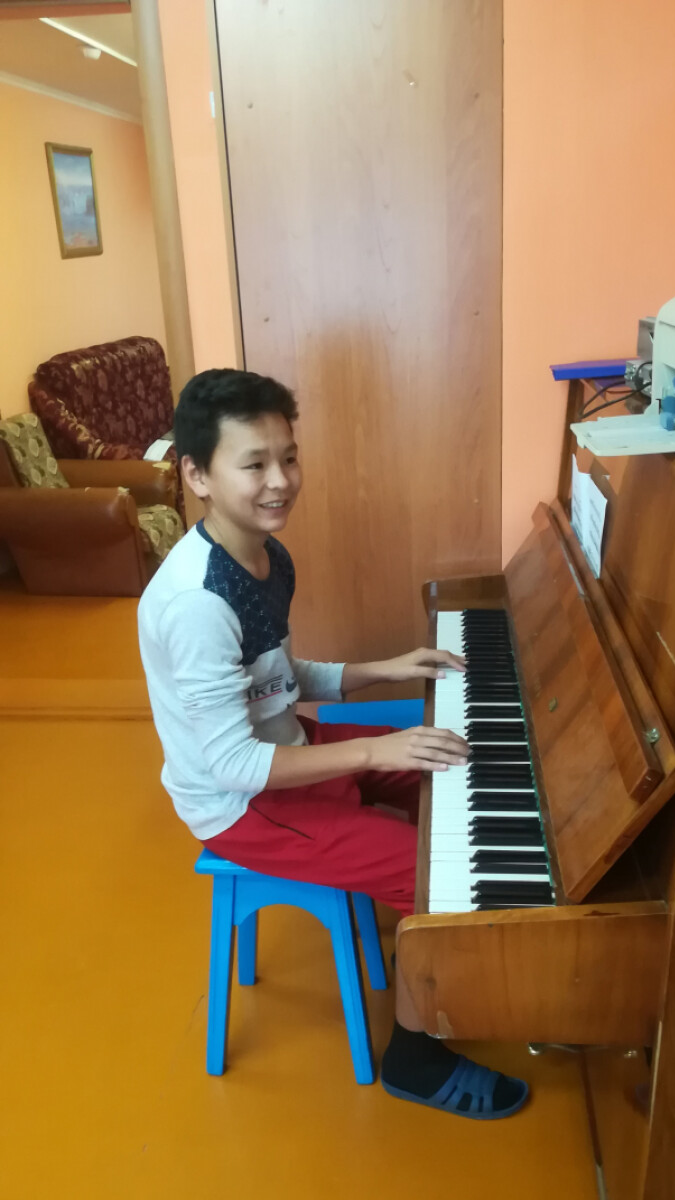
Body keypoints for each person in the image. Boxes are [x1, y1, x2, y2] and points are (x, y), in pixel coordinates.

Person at [138, 368, 528, 1119]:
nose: (281, 480)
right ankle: (414, 1060)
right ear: (197, 475)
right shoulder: (197, 603)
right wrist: (377, 750)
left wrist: (384, 668)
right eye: (254, 463)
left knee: (457, 768)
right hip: (241, 803)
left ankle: (502, 960)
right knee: (437, 881)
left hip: (285, 744)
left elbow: (278, 678)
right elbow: (234, 764)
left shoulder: (263, 555)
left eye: (289, 457)